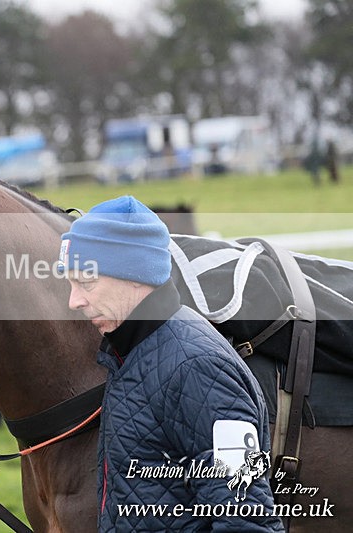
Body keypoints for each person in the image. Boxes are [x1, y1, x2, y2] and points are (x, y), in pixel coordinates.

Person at [58, 196, 282, 531]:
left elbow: (245, 518)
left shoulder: (198, 368)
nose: (74, 301)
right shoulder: (131, 352)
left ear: (134, 275)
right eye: (70, 283)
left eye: (86, 282)